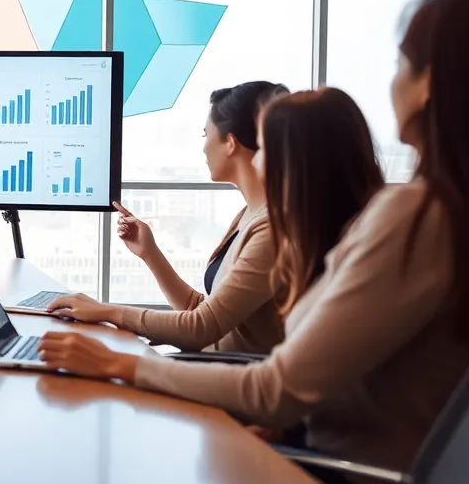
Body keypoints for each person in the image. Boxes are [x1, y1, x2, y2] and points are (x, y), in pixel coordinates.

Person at [39, 0, 469, 484]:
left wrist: (121, 364)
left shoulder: (416, 217)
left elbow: (276, 382)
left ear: (428, 85)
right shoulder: (442, 213)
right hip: (338, 461)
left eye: (399, 63)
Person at [48, 82, 296, 353]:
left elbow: (201, 328)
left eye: (206, 134)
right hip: (213, 367)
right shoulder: (249, 214)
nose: (203, 148)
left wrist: (106, 311)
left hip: (232, 380)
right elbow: (203, 312)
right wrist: (150, 253)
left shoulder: (272, 229)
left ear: (230, 142)